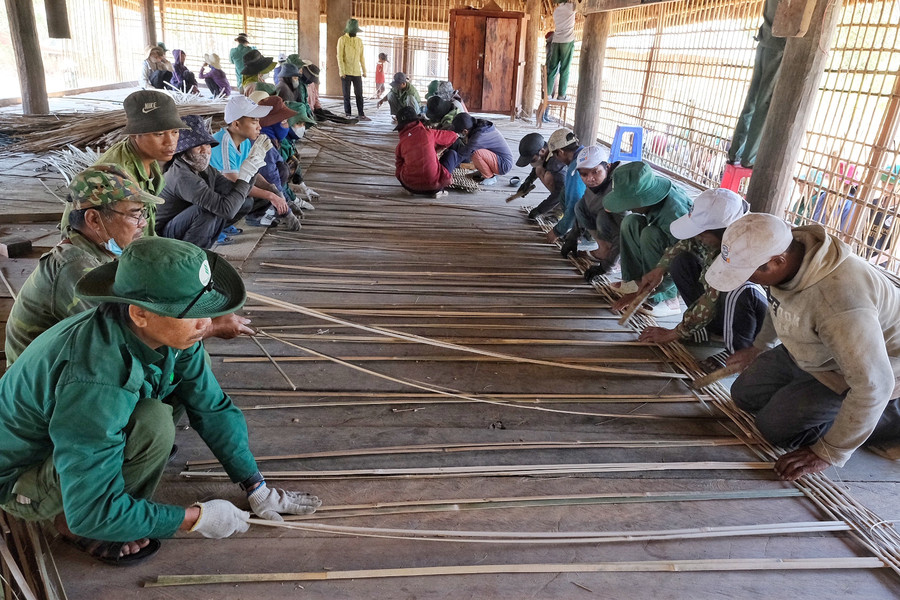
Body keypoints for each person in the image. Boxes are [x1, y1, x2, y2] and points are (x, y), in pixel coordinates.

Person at [0, 237, 321, 565]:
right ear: (139, 313)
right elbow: (92, 510)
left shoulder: (163, 332)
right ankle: (70, 521)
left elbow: (210, 405)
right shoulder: (94, 379)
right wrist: (194, 518)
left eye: (205, 309)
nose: (206, 324)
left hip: (74, 438)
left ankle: (121, 499)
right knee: (153, 425)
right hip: (23, 479)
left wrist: (255, 485)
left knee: (177, 393)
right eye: (191, 313)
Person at [706, 213, 900, 480]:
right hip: (814, 351)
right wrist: (759, 346)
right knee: (743, 394)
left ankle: (885, 419)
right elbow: (781, 304)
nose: (745, 280)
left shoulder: (839, 302)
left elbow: (874, 384)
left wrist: (829, 452)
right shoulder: (790, 252)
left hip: (857, 371)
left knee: (773, 429)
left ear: (776, 262)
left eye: (747, 272)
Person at [6, 166, 160, 365]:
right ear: (94, 219)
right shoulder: (75, 267)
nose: (142, 223)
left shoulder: (101, 251)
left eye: (142, 213)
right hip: (38, 383)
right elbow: (116, 339)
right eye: (134, 214)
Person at [633, 189, 767, 352]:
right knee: (680, 261)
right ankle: (709, 331)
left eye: (702, 235)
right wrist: (660, 269)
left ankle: (736, 351)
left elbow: (711, 300)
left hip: (753, 319)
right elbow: (686, 243)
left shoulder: (741, 251)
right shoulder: (719, 234)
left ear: (724, 232)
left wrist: (674, 333)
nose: (697, 237)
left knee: (738, 292)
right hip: (719, 301)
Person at [61, 90, 186, 237]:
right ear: (134, 134)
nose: (170, 142)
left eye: (175, 132)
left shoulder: (149, 158)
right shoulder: (117, 175)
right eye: (158, 134)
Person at [606, 161, 693, 318]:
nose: (627, 207)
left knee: (650, 235)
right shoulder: (655, 202)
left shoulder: (674, 214)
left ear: (645, 199)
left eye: (629, 203)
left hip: (683, 268)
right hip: (668, 252)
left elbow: (684, 259)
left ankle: (667, 297)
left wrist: (648, 291)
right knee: (630, 221)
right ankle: (635, 283)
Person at [158, 115, 257, 248]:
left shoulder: (205, 169)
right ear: (184, 151)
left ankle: (206, 240)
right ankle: (192, 254)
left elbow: (232, 190)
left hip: (186, 222)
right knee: (207, 211)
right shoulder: (181, 176)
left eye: (207, 145)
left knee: (244, 202)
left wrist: (253, 169)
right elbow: (226, 210)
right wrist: (245, 177)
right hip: (164, 234)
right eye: (197, 147)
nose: (205, 150)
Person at [210, 95, 290, 227]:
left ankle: (236, 220)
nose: (259, 127)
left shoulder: (245, 142)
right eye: (254, 122)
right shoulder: (224, 142)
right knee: (247, 202)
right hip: (213, 194)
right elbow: (234, 181)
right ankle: (216, 227)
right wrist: (271, 196)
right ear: (236, 124)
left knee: (268, 186)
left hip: (227, 190)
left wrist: (271, 188)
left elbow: (251, 172)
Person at [727, 0, 785, 168]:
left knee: (751, 102)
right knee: (764, 103)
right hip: (778, 45)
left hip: (764, 41)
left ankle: (735, 153)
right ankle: (749, 158)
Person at [563, 147, 622, 274]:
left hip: (632, 242)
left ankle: (618, 261)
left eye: (595, 172)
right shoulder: (598, 183)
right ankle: (604, 248)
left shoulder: (618, 189)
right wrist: (572, 237)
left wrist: (605, 267)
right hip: (615, 231)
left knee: (603, 217)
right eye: (584, 174)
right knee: (580, 206)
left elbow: (624, 233)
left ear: (608, 166)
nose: (590, 179)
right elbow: (585, 204)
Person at [394, 106, 460, 197]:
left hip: (410, 186)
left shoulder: (401, 144)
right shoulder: (429, 133)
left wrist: (405, 182)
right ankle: (439, 191)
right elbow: (452, 136)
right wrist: (437, 149)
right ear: (417, 121)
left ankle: (411, 190)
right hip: (434, 186)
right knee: (452, 154)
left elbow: (398, 170)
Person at [440, 113, 513, 186]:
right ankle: (483, 171)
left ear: (465, 131)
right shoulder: (477, 125)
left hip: (504, 165)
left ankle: (490, 177)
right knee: (473, 152)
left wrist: (447, 166)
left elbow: (463, 154)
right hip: (496, 158)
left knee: (476, 154)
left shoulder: (479, 136)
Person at [507, 132, 566, 222]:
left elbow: (561, 190)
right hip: (564, 185)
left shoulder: (556, 162)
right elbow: (538, 165)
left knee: (548, 177)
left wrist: (540, 209)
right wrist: (528, 181)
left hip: (575, 192)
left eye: (532, 159)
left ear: (542, 151)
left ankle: (560, 210)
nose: (531, 162)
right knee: (539, 169)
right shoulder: (547, 152)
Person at [545, 128, 584, 242]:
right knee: (564, 192)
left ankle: (585, 236)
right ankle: (574, 228)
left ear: (561, 152)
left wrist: (557, 231)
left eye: (556, 156)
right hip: (597, 207)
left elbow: (574, 204)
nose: (557, 159)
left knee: (571, 197)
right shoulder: (584, 154)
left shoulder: (575, 168)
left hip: (600, 213)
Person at [337, 19, 371, 121]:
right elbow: (340, 56)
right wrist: (342, 71)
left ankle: (361, 114)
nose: (354, 33)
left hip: (357, 72)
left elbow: (362, 57)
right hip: (346, 72)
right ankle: (348, 114)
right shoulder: (342, 40)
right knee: (346, 94)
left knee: (359, 94)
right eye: (353, 31)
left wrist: (364, 70)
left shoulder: (359, 41)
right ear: (348, 30)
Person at [546, 0, 577, 101]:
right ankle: (561, 95)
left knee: (552, 69)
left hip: (556, 41)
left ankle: (547, 94)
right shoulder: (572, 7)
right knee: (565, 69)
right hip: (567, 41)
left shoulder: (556, 11)